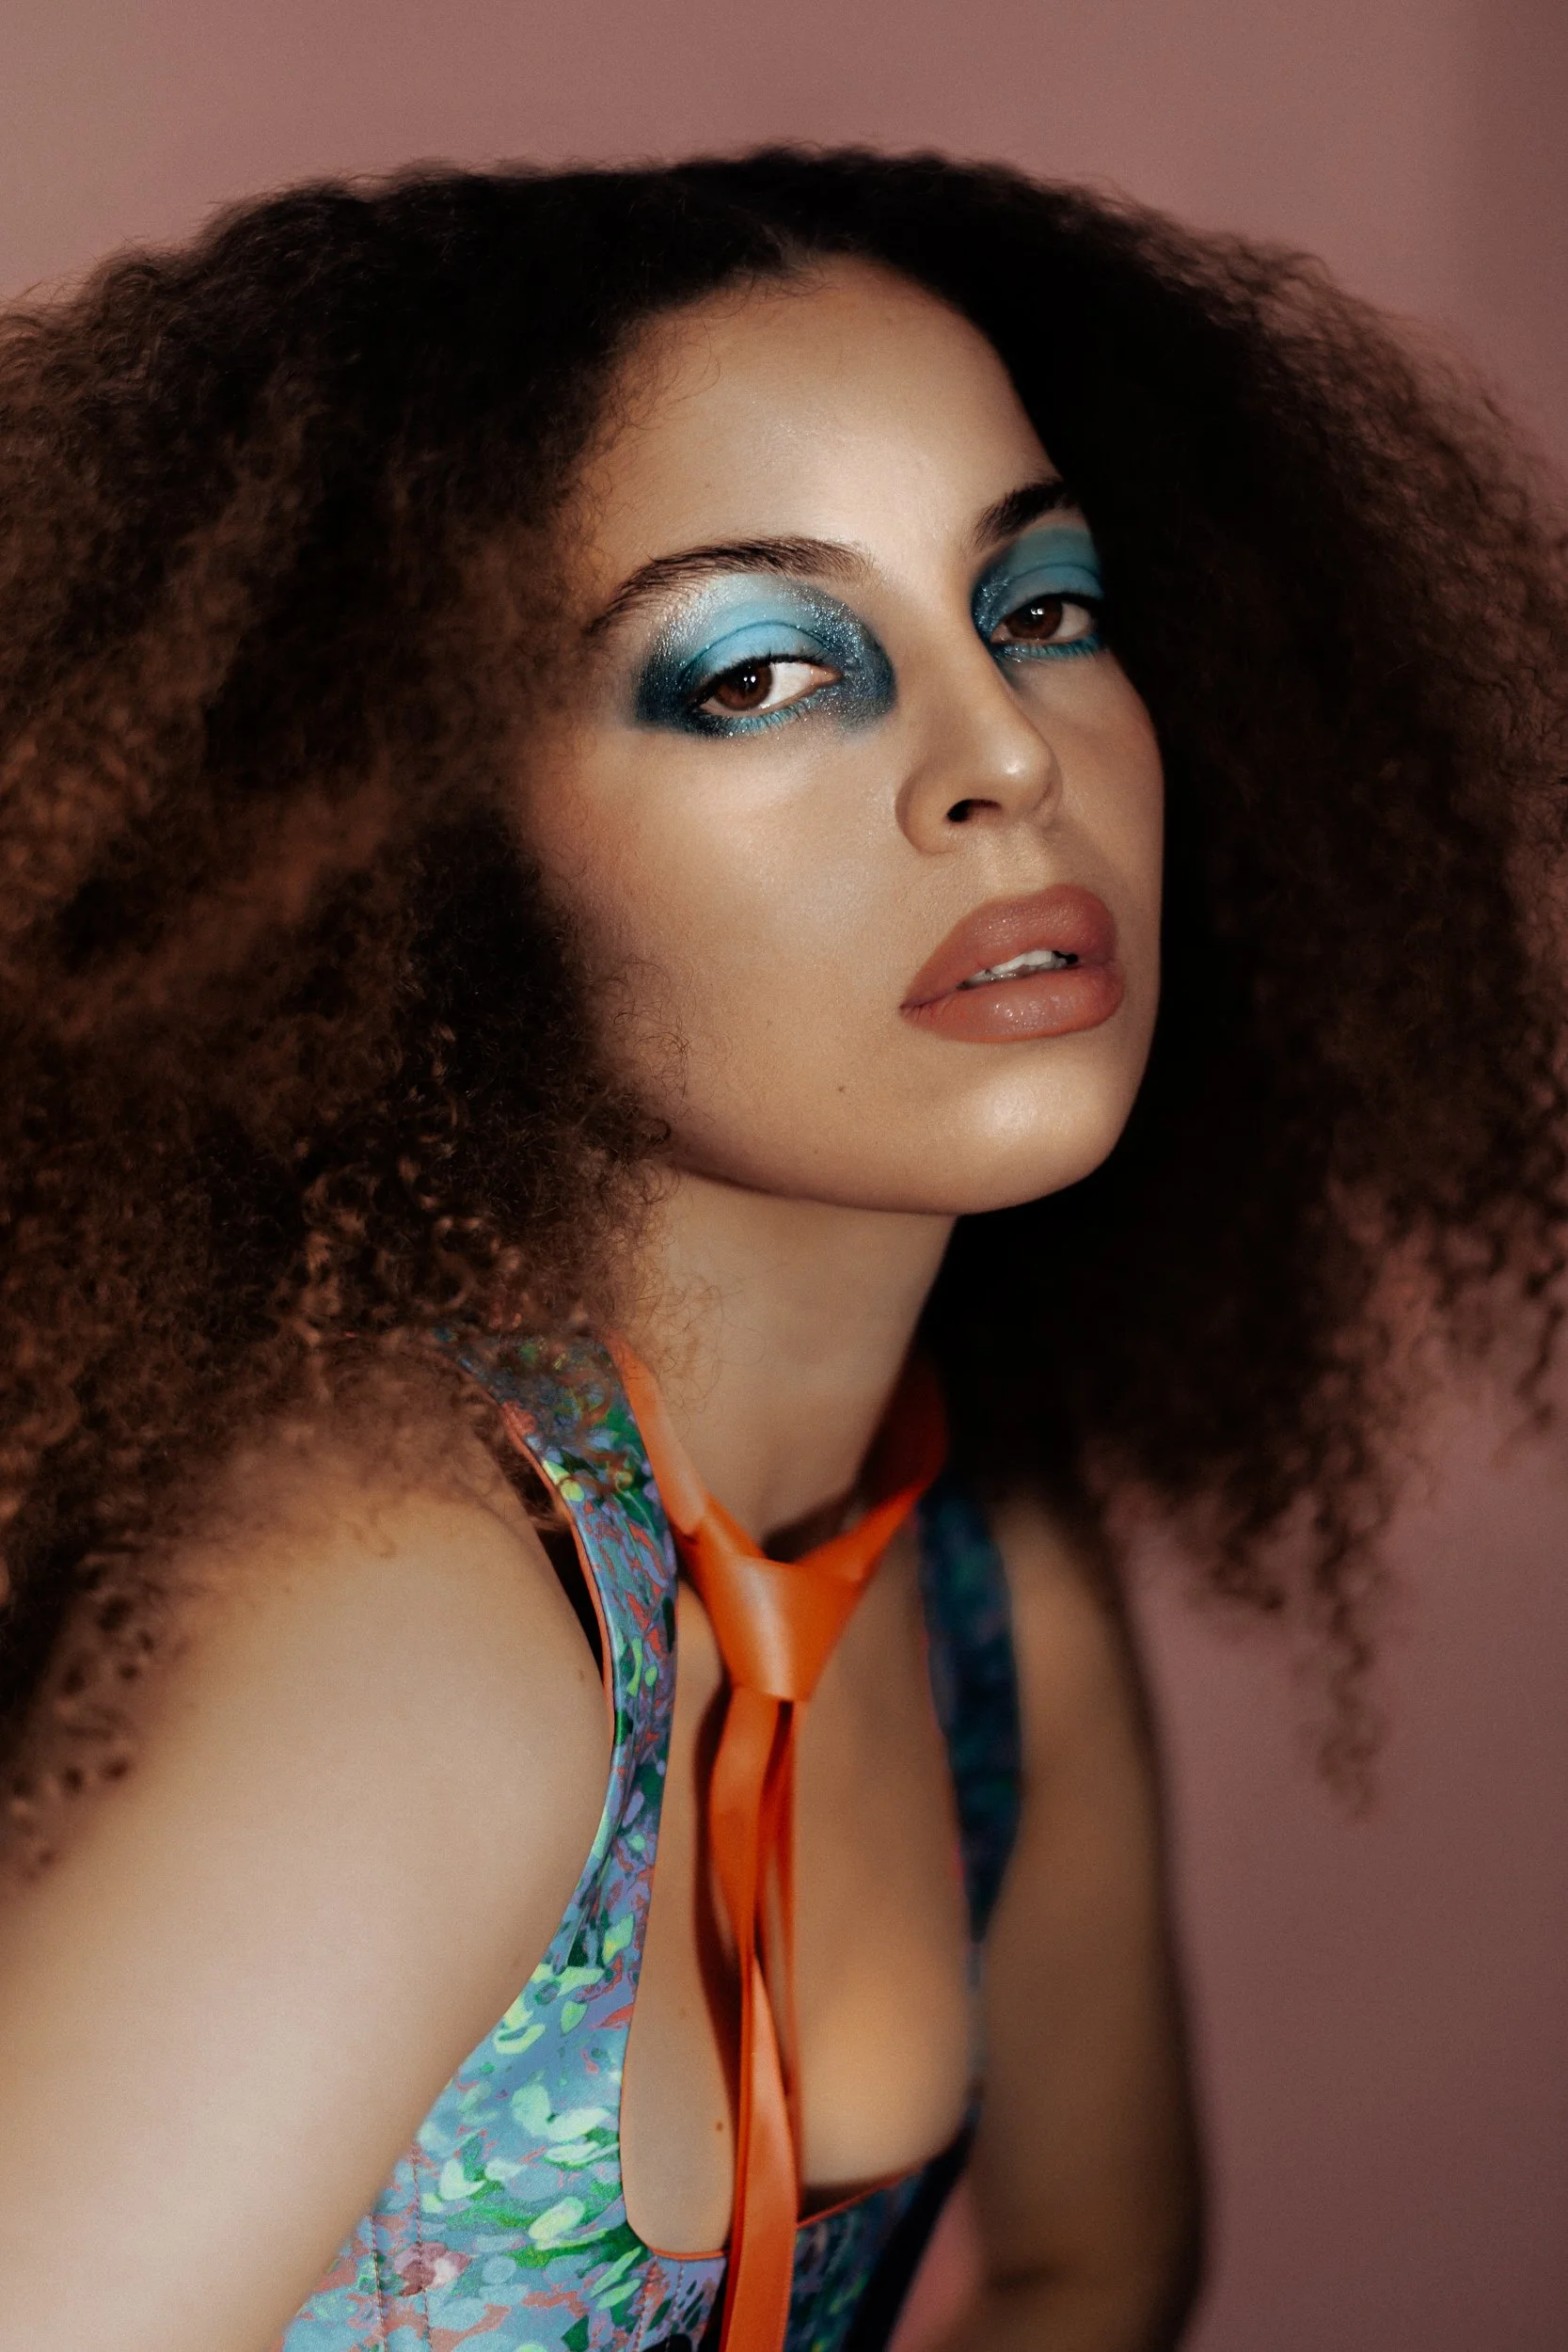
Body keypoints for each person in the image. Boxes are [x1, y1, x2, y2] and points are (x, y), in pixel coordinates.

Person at [0, 151, 1562, 2352]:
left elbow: (1090, 2259)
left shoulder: (981, 1583)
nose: (1001, 757)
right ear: (417, 841)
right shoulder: (401, 1617)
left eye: (1038, 607)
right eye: (753, 672)